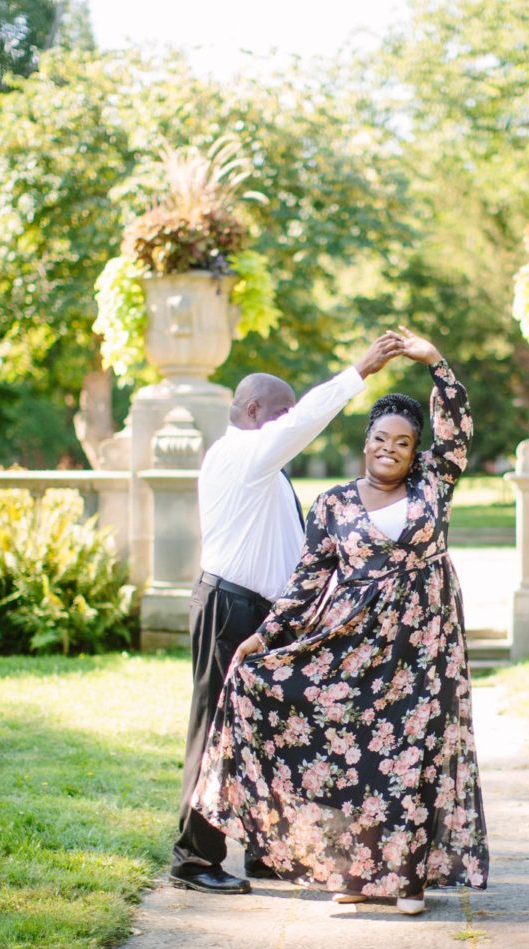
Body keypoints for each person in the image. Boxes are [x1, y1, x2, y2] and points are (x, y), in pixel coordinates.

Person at [192, 329, 489, 916]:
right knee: (357, 755)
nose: (390, 449)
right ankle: (355, 872)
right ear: (365, 442)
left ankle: (407, 880)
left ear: (417, 452)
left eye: (403, 442)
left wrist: (435, 362)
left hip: (423, 645)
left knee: (412, 754)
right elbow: (306, 583)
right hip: (351, 645)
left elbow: (456, 429)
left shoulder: (434, 483)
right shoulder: (333, 504)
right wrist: (262, 637)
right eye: (380, 438)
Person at [170, 331, 407, 895]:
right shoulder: (239, 455)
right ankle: (193, 858)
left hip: (265, 617)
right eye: (281, 414)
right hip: (228, 608)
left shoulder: (265, 467)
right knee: (216, 732)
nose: (289, 424)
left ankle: (265, 851)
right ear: (254, 411)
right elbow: (303, 424)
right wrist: (358, 372)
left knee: (269, 733)